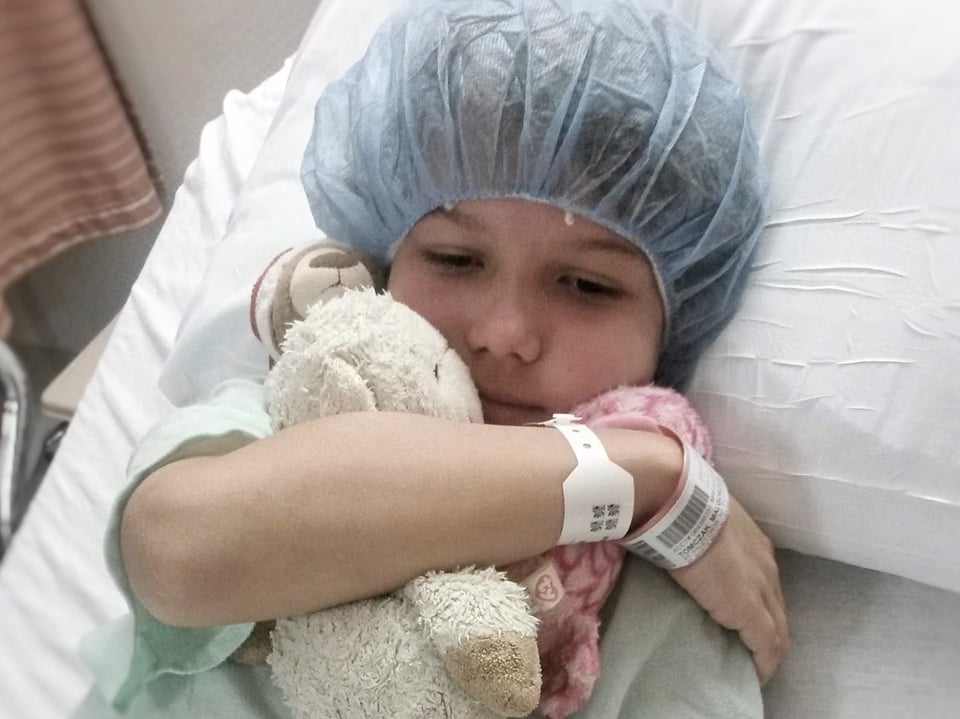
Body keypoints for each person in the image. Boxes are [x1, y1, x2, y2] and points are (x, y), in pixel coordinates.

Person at [74, 0, 788, 716]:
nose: (504, 332)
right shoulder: (297, 403)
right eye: (455, 258)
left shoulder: (675, 591)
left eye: (586, 285)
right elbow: (178, 553)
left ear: (674, 320)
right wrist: (635, 476)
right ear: (387, 261)